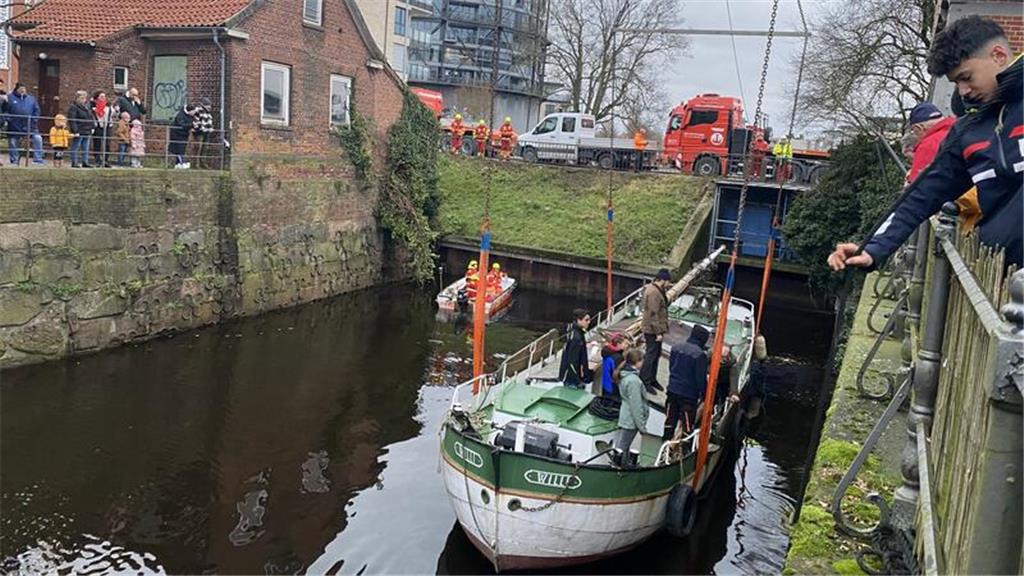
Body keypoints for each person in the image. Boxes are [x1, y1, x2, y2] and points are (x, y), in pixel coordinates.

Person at [828, 16, 1022, 271]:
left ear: (998, 56)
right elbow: (922, 195)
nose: (963, 90)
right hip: (1002, 278)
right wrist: (873, 248)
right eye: (956, 83)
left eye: (966, 77)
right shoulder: (966, 132)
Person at [904, 101, 983, 232]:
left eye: (913, 131)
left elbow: (917, 189)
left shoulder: (928, 145)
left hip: (961, 212)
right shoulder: (963, 131)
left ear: (918, 128)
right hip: (988, 209)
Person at [664, 324, 710, 440]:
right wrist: (705, 395)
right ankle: (684, 444)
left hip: (672, 389)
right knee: (687, 423)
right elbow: (700, 379)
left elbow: (671, 367)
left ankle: (665, 440)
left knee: (670, 418)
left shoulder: (676, 347)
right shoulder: (700, 355)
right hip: (688, 395)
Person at [614, 348, 648, 465]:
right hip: (630, 421)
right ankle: (621, 468)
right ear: (637, 362)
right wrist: (641, 427)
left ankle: (622, 465)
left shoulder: (624, 375)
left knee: (622, 446)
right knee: (623, 447)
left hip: (625, 416)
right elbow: (636, 405)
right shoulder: (633, 381)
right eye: (642, 360)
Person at [640, 269, 671, 392]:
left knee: (656, 354)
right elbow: (653, 313)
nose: (668, 284)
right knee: (651, 355)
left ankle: (652, 379)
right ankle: (645, 380)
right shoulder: (653, 292)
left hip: (655, 328)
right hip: (652, 330)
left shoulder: (657, 290)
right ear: (663, 280)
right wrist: (658, 332)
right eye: (668, 281)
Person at [6, 83, 45, 166]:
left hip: (30, 126)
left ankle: (38, 160)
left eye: (24, 89)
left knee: (38, 139)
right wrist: (9, 119)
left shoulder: (31, 99)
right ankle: (14, 161)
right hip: (14, 126)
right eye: (21, 89)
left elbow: (36, 111)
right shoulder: (10, 98)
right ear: (17, 89)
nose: (22, 90)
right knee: (13, 142)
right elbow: (5, 110)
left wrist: (34, 120)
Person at [558, 308, 592, 389]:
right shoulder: (576, 338)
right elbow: (572, 362)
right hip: (572, 380)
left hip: (571, 376)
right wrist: (578, 380)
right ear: (578, 320)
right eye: (586, 320)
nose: (589, 322)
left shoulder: (574, 332)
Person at [67, 90, 94, 168]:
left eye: (85, 98)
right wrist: (75, 131)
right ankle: (74, 162)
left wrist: (92, 127)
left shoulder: (87, 107)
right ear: (77, 98)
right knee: (76, 146)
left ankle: (85, 162)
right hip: (79, 129)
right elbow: (72, 119)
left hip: (87, 129)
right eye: (82, 98)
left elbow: (90, 117)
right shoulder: (73, 107)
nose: (84, 100)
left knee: (85, 147)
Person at [90, 91, 115, 167]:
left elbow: (113, 114)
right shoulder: (93, 106)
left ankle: (105, 160)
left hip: (107, 126)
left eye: (104, 96)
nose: (103, 98)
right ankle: (97, 160)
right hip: (98, 126)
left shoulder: (109, 106)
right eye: (101, 96)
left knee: (107, 144)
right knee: (97, 143)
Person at [600, 333, 628, 398]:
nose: (627, 345)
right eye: (625, 344)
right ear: (618, 344)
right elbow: (618, 374)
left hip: (605, 384)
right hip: (613, 387)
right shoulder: (618, 358)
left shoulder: (608, 352)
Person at [169, 104, 195, 168]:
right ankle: (182, 162)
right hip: (177, 135)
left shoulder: (190, 116)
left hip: (184, 135)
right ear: (190, 111)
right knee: (179, 150)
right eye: (193, 111)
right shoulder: (180, 115)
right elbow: (182, 125)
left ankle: (178, 163)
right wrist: (191, 125)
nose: (194, 113)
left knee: (182, 149)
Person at [192, 97, 215, 169]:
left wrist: (210, 129)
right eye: (208, 105)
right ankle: (196, 164)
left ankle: (203, 162)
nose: (209, 107)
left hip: (207, 132)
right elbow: (196, 122)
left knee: (205, 148)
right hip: (200, 132)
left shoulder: (208, 113)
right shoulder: (199, 111)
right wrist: (198, 129)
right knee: (198, 148)